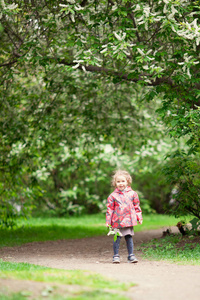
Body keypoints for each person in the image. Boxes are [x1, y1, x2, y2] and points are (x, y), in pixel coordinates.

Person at [106, 170, 143, 263]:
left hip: (128, 220)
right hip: (117, 221)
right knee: (117, 238)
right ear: (115, 183)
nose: (121, 183)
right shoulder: (112, 196)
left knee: (128, 237)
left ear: (127, 181)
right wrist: (108, 221)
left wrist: (139, 217)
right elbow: (109, 209)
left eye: (123, 181)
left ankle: (131, 255)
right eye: (118, 182)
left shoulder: (133, 194)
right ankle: (116, 256)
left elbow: (136, 207)